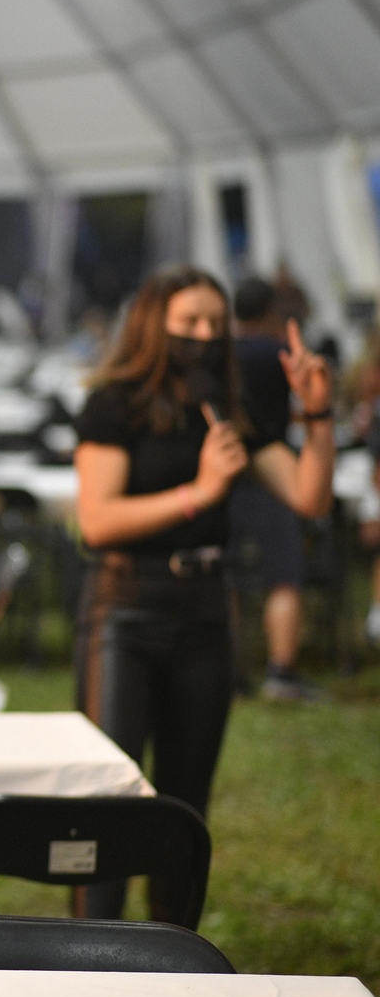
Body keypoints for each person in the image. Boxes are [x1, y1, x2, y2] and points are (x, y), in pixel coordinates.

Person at [73, 264, 332, 920]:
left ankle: (172, 958)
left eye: (215, 324)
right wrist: (200, 494)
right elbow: (97, 521)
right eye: (189, 323)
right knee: (109, 791)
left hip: (205, 611)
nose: (205, 335)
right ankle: (82, 959)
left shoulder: (226, 409)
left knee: (186, 802)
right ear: (154, 326)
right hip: (124, 607)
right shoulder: (115, 402)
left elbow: (309, 495)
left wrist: (317, 410)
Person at [227, 277, 321, 700]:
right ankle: (281, 670)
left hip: (226, 472)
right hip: (273, 471)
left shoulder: (221, 353)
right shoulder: (279, 354)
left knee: (224, 573)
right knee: (284, 573)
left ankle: (229, 671)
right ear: (270, 312)